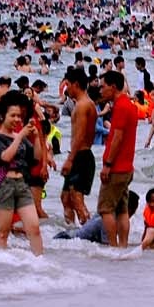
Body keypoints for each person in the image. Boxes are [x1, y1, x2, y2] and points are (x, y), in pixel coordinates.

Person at [0, 90, 47, 255]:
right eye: (13, 115)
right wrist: (20, 136)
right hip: (4, 186)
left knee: (34, 228)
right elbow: (5, 157)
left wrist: (36, 139)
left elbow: (35, 158)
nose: (17, 119)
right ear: (2, 116)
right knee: (3, 232)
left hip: (21, 184)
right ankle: (2, 265)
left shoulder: (20, 137)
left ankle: (39, 261)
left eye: (19, 116)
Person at [97, 70, 138, 249]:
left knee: (105, 209)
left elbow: (117, 139)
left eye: (103, 86)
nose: (100, 90)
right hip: (127, 167)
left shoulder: (121, 106)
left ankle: (113, 247)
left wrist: (108, 164)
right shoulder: (129, 105)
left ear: (113, 87)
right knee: (122, 210)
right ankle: (122, 246)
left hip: (117, 167)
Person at [59, 67, 97, 226]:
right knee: (66, 197)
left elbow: (80, 136)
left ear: (75, 84)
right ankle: (72, 232)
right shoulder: (83, 104)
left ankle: (87, 231)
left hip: (81, 156)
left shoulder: (83, 105)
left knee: (76, 198)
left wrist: (69, 159)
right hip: (80, 155)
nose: (66, 89)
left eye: (67, 85)